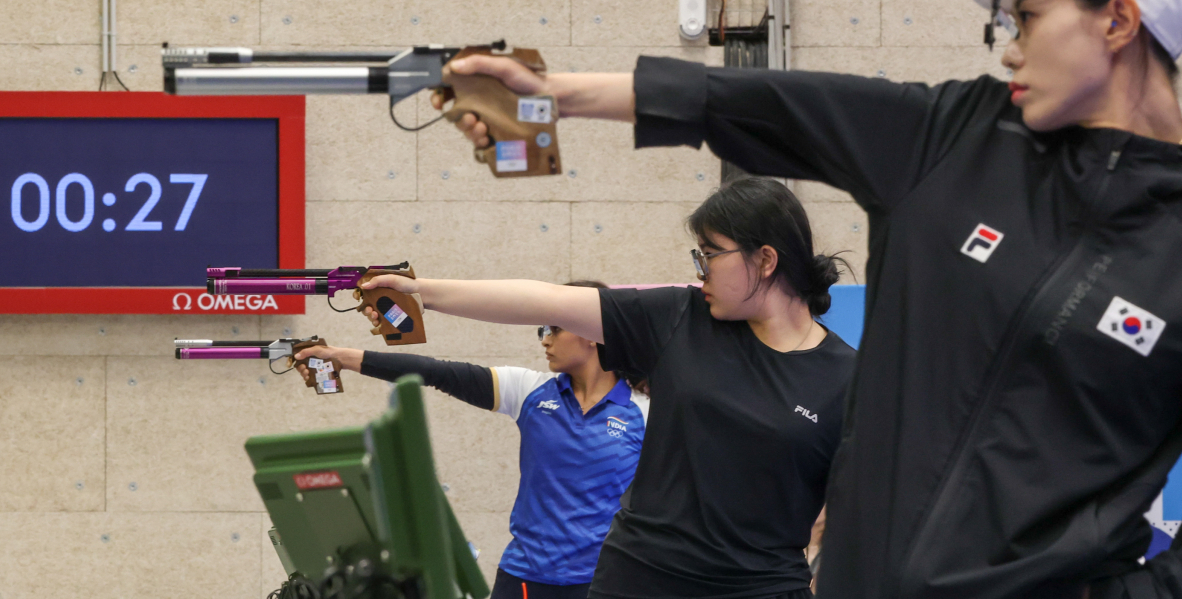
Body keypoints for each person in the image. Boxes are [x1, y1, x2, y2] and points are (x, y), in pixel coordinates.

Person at [431, 0, 1182, 597]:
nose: (1008, 49)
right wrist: (547, 94)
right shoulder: (958, 139)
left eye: (1026, 19)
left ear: (1117, 21)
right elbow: (758, 105)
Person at [360, 177, 856, 598]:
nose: (699, 271)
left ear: (765, 260)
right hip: (639, 580)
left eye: (710, 255)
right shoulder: (681, 317)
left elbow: (863, 513)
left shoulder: (847, 379)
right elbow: (545, 301)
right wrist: (423, 291)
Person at [293, 281, 649, 599]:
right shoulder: (530, 390)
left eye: (554, 328)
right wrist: (342, 358)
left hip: (604, 583)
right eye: (543, 329)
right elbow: (436, 372)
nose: (545, 338)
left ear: (591, 331)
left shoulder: (648, 412)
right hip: (522, 579)